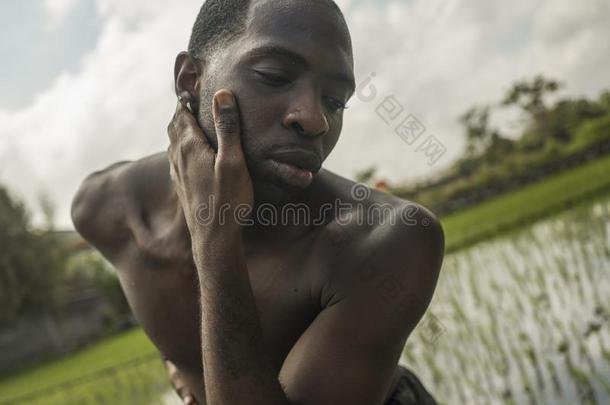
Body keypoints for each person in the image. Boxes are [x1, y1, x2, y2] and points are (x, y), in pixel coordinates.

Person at [71, 0, 445, 404]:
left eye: (335, 101)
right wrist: (178, 367)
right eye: (275, 75)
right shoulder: (107, 210)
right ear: (190, 80)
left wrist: (214, 241)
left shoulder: (384, 241)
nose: (316, 118)